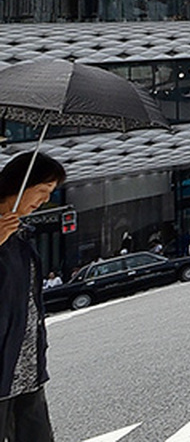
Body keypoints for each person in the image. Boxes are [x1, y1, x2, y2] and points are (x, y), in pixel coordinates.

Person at [0, 153, 64, 442]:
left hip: (26, 367)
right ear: (21, 182)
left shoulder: (20, 234)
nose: (43, 199)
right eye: (41, 190)